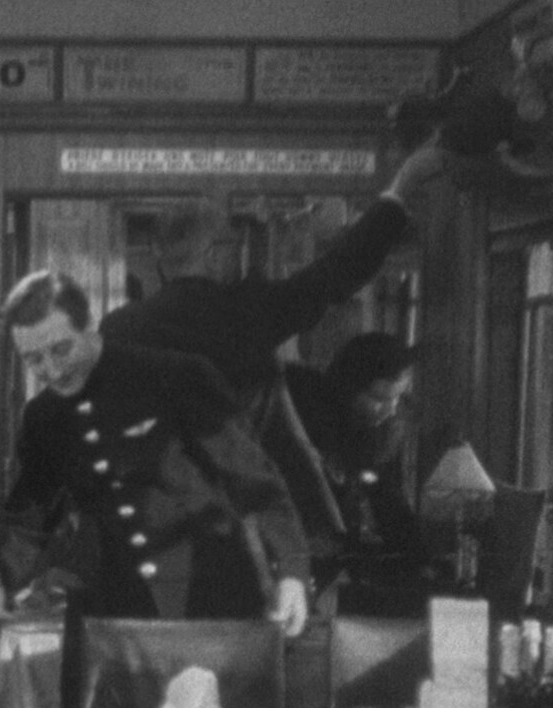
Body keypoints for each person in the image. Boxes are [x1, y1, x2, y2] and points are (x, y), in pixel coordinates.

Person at [98, 143, 454, 536]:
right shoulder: (245, 313)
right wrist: (401, 188)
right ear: (213, 253)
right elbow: (337, 273)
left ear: (160, 255)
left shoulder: (116, 330)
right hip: (231, 524)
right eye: (232, 245)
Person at [0, 270, 312, 634]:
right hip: (116, 607)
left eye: (60, 349)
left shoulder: (178, 377)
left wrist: (291, 571)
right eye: (34, 360)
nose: (52, 371)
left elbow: (255, 482)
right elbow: (33, 514)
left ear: (88, 327)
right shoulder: (44, 416)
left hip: (211, 598)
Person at [285, 332, 426, 593]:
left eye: (397, 397)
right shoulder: (302, 418)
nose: (391, 410)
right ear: (348, 387)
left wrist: (421, 562)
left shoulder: (382, 434)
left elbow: (389, 501)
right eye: (379, 399)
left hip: (326, 565)